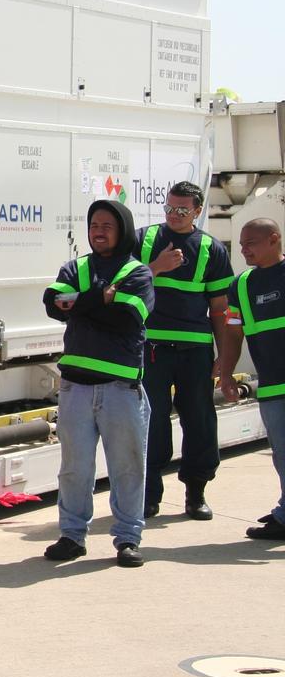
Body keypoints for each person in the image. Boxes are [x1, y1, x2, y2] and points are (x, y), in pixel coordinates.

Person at [43, 199, 154, 567]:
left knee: (127, 466)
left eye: (107, 224)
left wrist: (81, 303)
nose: (99, 230)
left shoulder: (137, 272)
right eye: (93, 224)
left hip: (120, 387)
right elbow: (51, 302)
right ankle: (72, 536)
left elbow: (126, 317)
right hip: (75, 386)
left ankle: (127, 538)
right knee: (74, 467)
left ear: (122, 229)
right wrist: (99, 299)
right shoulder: (76, 266)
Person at [135, 181, 234, 519]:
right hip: (152, 349)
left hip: (195, 351)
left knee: (200, 420)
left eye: (181, 210)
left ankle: (196, 493)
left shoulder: (212, 248)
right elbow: (122, 285)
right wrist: (157, 267)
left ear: (197, 211)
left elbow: (220, 309)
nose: (173, 215)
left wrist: (224, 358)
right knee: (152, 422)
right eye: (168, 208)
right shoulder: (143, 240)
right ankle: (149, 495)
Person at [217, 218, 285, 540]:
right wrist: (226, 373)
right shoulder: (241, 285)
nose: (243, 249)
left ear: (274, 240)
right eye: (241, 244)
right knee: (282, 454)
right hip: (272, 385)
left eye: (251, 243)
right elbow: (233, 332)